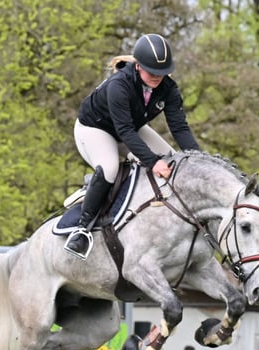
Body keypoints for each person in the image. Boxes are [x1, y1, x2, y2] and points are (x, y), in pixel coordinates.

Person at [65, 33, 201, 258]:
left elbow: (180, 128)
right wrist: (152, 162)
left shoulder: (169, 89)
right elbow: (124, 131)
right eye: (152, 71)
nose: (158, 76)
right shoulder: (119, 85)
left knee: (174, 160)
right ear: (138, 66)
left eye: (162, 71)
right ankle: (83, 228)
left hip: (129, 128)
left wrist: (199, 160)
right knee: (110, 168)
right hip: (94, 129)